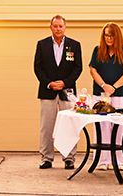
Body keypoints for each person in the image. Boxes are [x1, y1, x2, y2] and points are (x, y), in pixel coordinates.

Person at [34, 15, 82, 169]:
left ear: (65, 27)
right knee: (46, 126)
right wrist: (49, 83)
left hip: (67, 92)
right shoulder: (42, 45)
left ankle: (69, 158)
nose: (58, 29)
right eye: (55, 26)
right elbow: (38, 67)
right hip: (47, 92)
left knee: (69, 126)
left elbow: (78, 67)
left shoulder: (74, 45)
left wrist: (65, 83)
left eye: (60, 26)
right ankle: (46, 158)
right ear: (50, 28)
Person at [89, 22, 123, 171]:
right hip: (101, 95)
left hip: (121, 95)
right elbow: (92, 70)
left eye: (111, 35)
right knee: (102, 126)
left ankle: (121, 161)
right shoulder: (97, 50)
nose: (108, 38)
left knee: (121, 127)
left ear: (117, 36)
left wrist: (114, 87)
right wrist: (104, 86)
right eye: (106, 35)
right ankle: (102, 161)